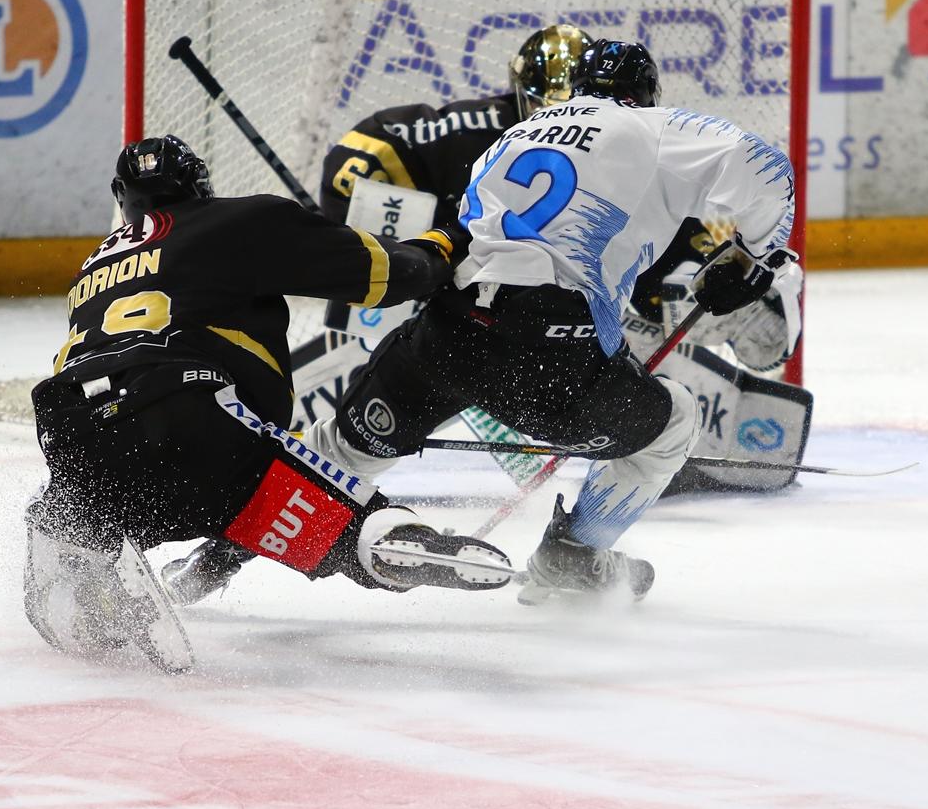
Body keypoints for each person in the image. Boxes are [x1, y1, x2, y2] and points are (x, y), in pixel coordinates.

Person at [308, 38, 798, 603]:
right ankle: (574, 553)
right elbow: (769, 171)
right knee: (675, 421)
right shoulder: (654, 128)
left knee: (337, 453)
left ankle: (239, 533)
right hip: (552, 360)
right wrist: (753, 260)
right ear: (645, 95)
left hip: (447, 333)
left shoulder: (512, 136)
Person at [24, 134, 512, 673]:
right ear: (199, 185)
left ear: (123, 197)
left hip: (73, 435)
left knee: (89, 511)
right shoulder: (241, 221)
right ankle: (387, 540)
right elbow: (395, 276)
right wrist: (449, 238)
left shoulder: (90, 270)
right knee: (332, 525)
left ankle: (82, 575)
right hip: (191, 422)